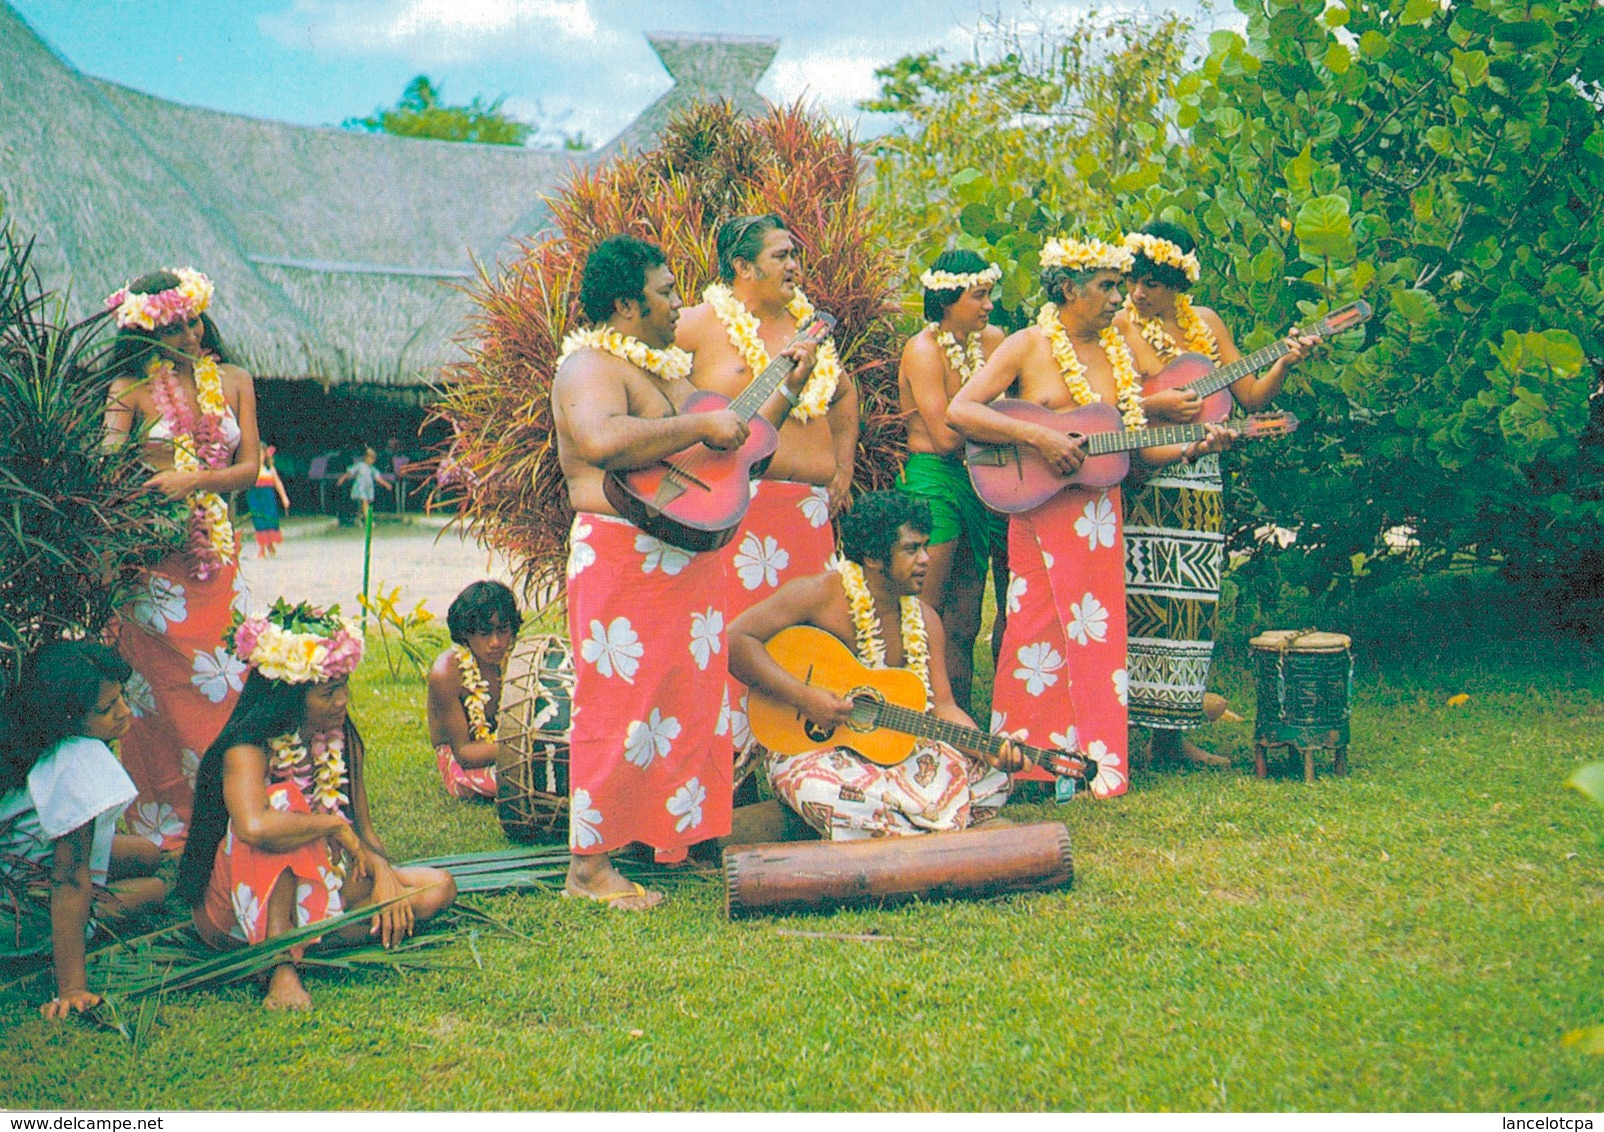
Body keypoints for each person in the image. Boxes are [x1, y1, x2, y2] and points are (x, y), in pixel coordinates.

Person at [553, 234, 810, 909]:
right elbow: (601, 440)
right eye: (665, 292)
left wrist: (785, 385)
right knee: (620, 708)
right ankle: (589, 868)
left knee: (687, 704)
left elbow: (734, 447)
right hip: (621, 555)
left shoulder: (664, 367)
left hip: (683, 558)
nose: (678, 302)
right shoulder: (590, 365)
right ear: (625, 304)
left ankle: (676, 838)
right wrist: (701, 427)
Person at [947, 236, 1237, 799]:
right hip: (1038, 510)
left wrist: (1193, 447)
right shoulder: (1027, 345)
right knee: (1033, 630)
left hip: (1101, 516)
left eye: (1117, 286)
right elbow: (963, 410)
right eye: (1105, 286)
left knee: (1096, 637)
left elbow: (1129, 448)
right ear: (1066, 289)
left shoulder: (1115, 353)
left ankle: (1090, 762)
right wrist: (1038, 435)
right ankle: (1028, 759)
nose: (1117, 298)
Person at [175, 602, 456, 1010]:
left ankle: (306, 942)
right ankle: (279, 968)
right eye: (328, 692)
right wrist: (330, 827)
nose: (342, 701)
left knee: (438, 889)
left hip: (320, 888)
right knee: (281, 803)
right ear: (288, 694)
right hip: (236, 911)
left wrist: (381, 872)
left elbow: (362, 829)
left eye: (344, 687)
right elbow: (253, 827)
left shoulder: (343, 742)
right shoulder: (247, 749)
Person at [1113, 223, 1317, 768]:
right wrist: (1160, 408)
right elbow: (1104, 405)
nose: (1138, 293)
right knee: (1143, 605)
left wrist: (1282, 362)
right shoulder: (1116, 327)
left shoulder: (1205, 325)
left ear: (1178, 282)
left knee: (1190, 607)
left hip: (1201, 486)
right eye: (1134, 280)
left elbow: (1248, 396)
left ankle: (1169, 739)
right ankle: (1120, 733)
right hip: (1146, 483)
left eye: (1152, 283)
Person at [675, 214, 856, 782]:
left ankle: (803, 759)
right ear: (743, 268)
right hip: (735, 513)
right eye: (781, 256)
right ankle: (727, 773)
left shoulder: (810, 329)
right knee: (737, 635)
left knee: (805, 638)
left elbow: (845, 395)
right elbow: (654, 393)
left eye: (795, 255)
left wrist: (843, 468)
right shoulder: (698, 325)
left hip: (807, 517)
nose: (795, 266)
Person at [727, 491, 1023, 839]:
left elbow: (943, 707)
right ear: (872, 557)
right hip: (816, 750)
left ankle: (889, 826)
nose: (926, 559)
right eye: (912, 549)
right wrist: (805, 697)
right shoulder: (819, 595)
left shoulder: (924, 620)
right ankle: (922, 822)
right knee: (821, 791)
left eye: (926, 547)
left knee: (996, 778)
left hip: (897, 753)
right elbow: (735, 641)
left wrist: (990, 750)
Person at [104, 268, 261, 849]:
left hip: (216, 557)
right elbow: (106, 468)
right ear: (146, 336)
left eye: (192, 321)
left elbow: (250, 469)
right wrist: (144, 486)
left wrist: (194, 478)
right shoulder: (129, 391)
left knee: (230, 682)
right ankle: (164, 825)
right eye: (173, 329)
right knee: (158, 696)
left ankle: (226, 813)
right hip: (152, 567)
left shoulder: (236, 381)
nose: (191, 335)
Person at [0, 642, 166, 1018]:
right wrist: (72, 988)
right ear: (67, 718)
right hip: (20, 902)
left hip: (22, 859)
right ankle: (56, 938)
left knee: (148, 854)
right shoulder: (77, 762)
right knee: (152, 890)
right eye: (106, 709)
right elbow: (69, 881)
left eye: (121, 697)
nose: (124, 712)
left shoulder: (24, 734)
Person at [895, 250, 1012, 716]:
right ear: (947, 300)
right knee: (926, 609)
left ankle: (960, 723)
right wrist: (999, 427)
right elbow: (944, 436)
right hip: (934, 480)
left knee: (964, 619)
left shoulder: (996, 341)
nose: (988, 306)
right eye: (978, 296)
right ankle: (913, 714)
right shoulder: (922, 349)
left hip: (983, 479)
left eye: (989, 295)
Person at [426, 581, 522, 800]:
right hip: (464, 762)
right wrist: (526, 747)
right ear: (465, 634)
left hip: (509, 747)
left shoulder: (516, 659)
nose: (496, 642)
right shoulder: (447, 673)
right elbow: (465, 754)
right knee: (525, 778)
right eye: (484, 633)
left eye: (502, 630)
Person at [246, 445, 291, 559]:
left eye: (261, 454)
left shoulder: (269, 469)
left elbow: (278, 483)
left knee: (270, 520)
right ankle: (262, 547)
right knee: (259, 522)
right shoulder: (250, 469)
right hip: (255, 499)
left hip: (268, 500)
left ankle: (270, 544)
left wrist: (284, 497)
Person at [337, 447, 393, 523]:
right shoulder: (359, 465)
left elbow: (378, 478)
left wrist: (386, 484)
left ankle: (358, 517)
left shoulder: (372, 469)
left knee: (363, 504)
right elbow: (350, 473)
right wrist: (342, 478)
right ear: (365, 457)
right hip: (360, 488)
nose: (372, 461)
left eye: (374, 459)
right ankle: (368, 520)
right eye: (370, 458)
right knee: (364, 501)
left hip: (368, 488)